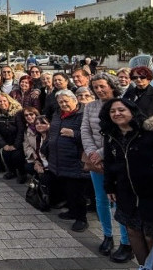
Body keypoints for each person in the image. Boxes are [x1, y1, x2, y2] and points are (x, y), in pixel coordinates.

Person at [100, 98, 153, 266]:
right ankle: (143, 266)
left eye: (121, 110)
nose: (117, 114)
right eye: (112, 111)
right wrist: (109, 185)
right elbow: (110, 163)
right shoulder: (111, 135)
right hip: (126, 192)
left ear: (132, 111)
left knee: (151, 235)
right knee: (133, 231)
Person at [80, 74, 132, 263]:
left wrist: (102, 153)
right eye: (95, 87)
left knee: (120, 200)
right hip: (95, 160)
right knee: (101, 199)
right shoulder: (90, 107)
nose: (99, 90)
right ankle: (107, 235)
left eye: (102, 86)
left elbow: (121, 132)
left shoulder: (121, 105)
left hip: (116, 159)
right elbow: (85, 130)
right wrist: (92, 153)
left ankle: (126, 241)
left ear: (111, 85)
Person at [46, 90, 89, 232]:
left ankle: (81, 219)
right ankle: (72, 211)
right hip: (58, 159)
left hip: (75, 160)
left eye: (66, 101)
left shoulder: (83, 115)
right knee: (68, 190)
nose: (63, 104)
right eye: (60, 102)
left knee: (77, 192)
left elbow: (91, 136)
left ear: (75, 100)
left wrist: (74, 134)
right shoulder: (57, 114)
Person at [0, 93, 26, 181]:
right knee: (6, 154)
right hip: (6, 140)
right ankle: (11, 171)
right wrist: (4, 145)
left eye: (4, 101)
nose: (2, 103)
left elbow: (21, 130)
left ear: (9, 101)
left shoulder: (17, 113)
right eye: (0, 101)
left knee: (17, 155)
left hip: (17, 140)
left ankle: (22, 173)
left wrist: (16, 145)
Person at [22, 109, 49, 176]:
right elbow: (26, 146)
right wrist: (36, 160)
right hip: (37, 158)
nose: (28, 116)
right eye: (26, 115)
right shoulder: (36, 136)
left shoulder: (51, 137)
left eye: (31, 114)